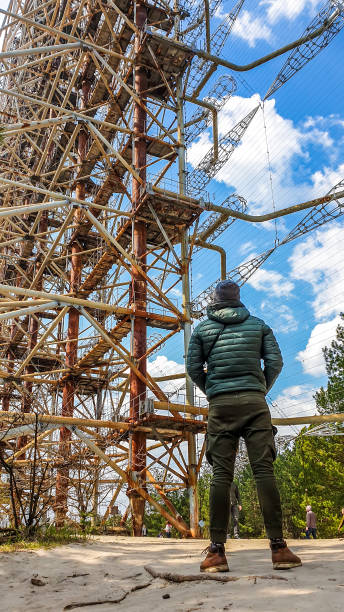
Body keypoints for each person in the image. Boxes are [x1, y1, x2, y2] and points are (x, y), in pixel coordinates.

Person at [186, 280, 302, 572]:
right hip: (254, 403)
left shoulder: (202, 330)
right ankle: (278, 548)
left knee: (221, 476)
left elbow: (192, 368)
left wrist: (214, 390)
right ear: (238, 299)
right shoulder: (259, 325)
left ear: (214, 300)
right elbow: (275, 362)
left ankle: (216, 552)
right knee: (263, 469)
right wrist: (259, 387)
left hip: (220, 407)